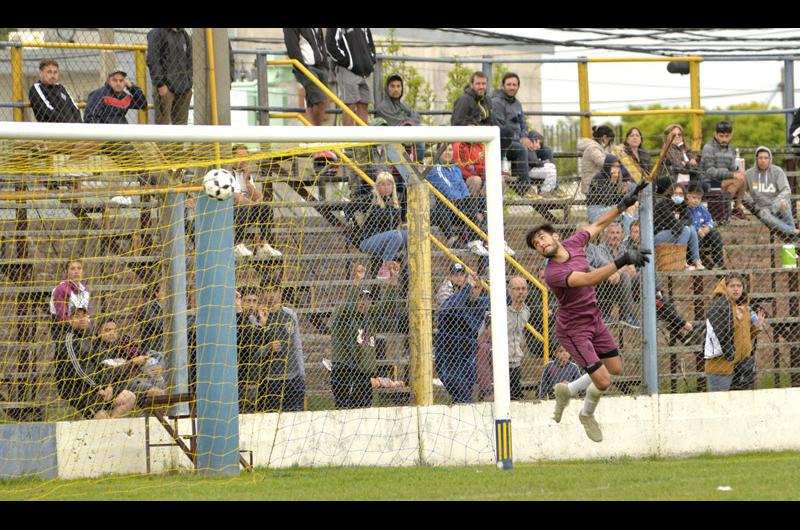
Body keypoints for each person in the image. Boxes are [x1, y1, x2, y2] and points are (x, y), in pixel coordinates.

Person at [525, 179, 650, 442]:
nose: (541, 243)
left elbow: (598, 225)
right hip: (573, 329)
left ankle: (568, 390)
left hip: (593, 318)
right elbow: (590, 279)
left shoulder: (573, 243)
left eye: (542, 237)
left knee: (615, 368)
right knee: (603, 381)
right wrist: (623, 260)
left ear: (555, 236)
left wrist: (622, 205)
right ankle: (586, 414)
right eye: (536, 244)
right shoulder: (553, 273)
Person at [329, 262, 402, 409]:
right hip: (345, 371)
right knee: (345, 412)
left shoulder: (370, 315)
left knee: (364, 412)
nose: (363, 302)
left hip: (363, 374)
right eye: (360, 298)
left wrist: (393, 279)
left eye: (367, 298)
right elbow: (348, 304)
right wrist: (356, 281)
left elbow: (389, 306)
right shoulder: (343, 314)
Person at [623, 221, 699, 344]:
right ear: (630, 233)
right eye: (634, 231)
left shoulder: (646, 246)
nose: (637, 235)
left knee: (661, 302)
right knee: (659, 300)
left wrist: (656, 288)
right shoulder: (627, 246)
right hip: (633, 288)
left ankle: (682, 332)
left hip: (647, 287)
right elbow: (635, 272)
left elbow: (649, 270)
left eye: (639, 232)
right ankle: (685, 326)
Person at [55, 308, 137, 419]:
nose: (82, 319)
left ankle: (111, 431)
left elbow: (100, 364)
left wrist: (108, 385)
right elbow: (78, 370)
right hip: (77, 390)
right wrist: (97, 387)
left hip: (96, 386)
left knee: (129, 397)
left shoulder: (90, 337)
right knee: (102, 417)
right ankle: (107, 430)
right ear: (69, 319)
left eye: (84, 316)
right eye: (77, 316)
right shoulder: (68, 339)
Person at [704, 273, 765, 392]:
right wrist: (736, 318)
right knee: (720, 405)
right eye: (732, 286)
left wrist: (757, 327)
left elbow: (744, 336)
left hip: (741, 367)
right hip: (721, 367)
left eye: (739, 286)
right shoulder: (719, 306)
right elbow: (721, 334)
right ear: (725, 288)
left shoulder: (744, 308)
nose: (736, 289)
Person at [435, 272, 490, 404]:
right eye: (470, 287)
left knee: (466, 399)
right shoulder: (452, 302)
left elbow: (506, 299)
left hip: (467, 360)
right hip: (448, 360)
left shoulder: (479, 304)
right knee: (461, 394)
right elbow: (450, 308)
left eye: (477, 288)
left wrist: (495, 285)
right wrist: (467, 288)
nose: (473, 291)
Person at [252, 283, 306, 412]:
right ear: (261, 293)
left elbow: (297, 345)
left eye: (274, 290)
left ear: (280, 292)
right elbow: (252, 353)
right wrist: (267, 347)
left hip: (293, 378)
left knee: (294, 419)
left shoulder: (290, 314)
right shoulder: (256, 317)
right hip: (270, 380)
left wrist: (302, 373)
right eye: (266, 290)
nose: (271, 295)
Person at [92, 317, 166, 409]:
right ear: (99, 333)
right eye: (107, 330)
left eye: (114, 330)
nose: (112, 333)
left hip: (140, 377)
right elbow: (109, 374)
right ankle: (160, 421)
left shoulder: (121, 345)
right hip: (122, 384)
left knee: (165, 383)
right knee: (157, 393)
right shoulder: (97, 350)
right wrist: (133, 363)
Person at [427, 143, 485, 254]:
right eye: (444, 150)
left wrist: (466, 201)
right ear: (438, 153)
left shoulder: (455, 168)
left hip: (458, 207)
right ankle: (469, 237)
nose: (448, 153)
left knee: (475, 201)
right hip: (442, 210)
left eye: (450, 150)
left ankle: (476, 238)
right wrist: (463, 202)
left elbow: (463, 187)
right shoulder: (435, 168)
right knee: (449, 203)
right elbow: (446, 190)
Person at [585, 222, 640, 329]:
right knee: (624, 276)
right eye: (612, 233)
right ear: (606, 235)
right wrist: (623, 269)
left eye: (617, 233)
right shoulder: (600, 249)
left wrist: (629, 267)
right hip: (607, 284)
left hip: (621, 284)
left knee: (642, 276)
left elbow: (630, 268)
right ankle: (627, 316)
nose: (615, 236)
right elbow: (607, 267)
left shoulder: (623, 248)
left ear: (622, 235)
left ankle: (657, 301)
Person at [230, 144, 281, 258]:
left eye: (245, 157)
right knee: (243, 207)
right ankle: (238, 245)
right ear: (233, 157)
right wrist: (253, 203)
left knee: (266, 208)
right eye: (240, 156)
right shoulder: (229, 173)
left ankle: (264, 246)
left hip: (247, 210)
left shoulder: (246, 175)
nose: (243, 160)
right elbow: (237, 198)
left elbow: (259, 196)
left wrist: (247, 181)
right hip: (231, 212)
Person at [489, 72, 534, 196]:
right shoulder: (497, 102)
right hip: (504, 142)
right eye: (509, 84)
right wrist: (520, 139)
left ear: (518, 87)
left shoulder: (517, 103)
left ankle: (550, 189)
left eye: (514, 84)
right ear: (503, 86)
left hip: (519, 139)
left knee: (544, 149)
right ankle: (526, 187)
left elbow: (523, 123)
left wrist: (525, 136)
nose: (512, 87)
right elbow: (500, 128)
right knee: (521, 149)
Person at [744, 146, 800, 242]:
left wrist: (779, 202)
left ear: (770, 159)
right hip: (764, 208)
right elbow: (742, 191)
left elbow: (786, 189)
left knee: (784, 204)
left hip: (777, 203)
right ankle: (794, 233)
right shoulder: (749, 174)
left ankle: (793, 235)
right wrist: (754, 204)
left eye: (766, 158)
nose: (763, 160)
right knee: (764, 216)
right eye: (760, 158)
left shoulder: (777, 171)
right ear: (756, 159)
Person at [358, 172, 407, 280]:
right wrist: (353, 222)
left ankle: (408, 270)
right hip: (369, 241)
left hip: (389, 240)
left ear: (393, 186)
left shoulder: (394, 203)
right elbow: (349, 208)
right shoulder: (371, 199)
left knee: (409, 235)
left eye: (389, 185)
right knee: (396, 234)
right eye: (383, 185)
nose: (386, 187)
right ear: (378, 186)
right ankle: (385, 267)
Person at [326, 28, 376, 126]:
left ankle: (362, 140)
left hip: (366, 71)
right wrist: (349, 63)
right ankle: (348, 140)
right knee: (349, 107)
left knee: (363, 106)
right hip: (347, 71)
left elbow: (370, 42)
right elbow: (331, 46)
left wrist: (371, 60)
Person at [653, 178, 704, 271]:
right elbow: (672, 222)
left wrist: (680, 225)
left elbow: (689, 220)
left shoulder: (682, 206)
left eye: (681, 194)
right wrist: (681, 224)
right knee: (686, 229)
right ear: (670, 194)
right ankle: (680, 261)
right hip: (658, 236)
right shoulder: (663, 205)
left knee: (691, 228)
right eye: (676, 194)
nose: (678, 196)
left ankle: (696, 261)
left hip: (675, 232)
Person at [283, 28, 330, 126]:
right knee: (320, 101)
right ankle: (317, 135)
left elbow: (321, 43)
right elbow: (292, 47)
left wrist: (325, 65)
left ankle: (311, 136)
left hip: (321, 67)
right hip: (306, 68)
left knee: (314, 103)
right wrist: (302, 67)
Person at [701, 120, 747, 220]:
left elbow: (731, 169)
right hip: (710, 183)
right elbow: (710, 172)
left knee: (742, 176)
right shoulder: (708, 147)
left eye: (727, 136)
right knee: (738, 179)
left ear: (731, 135)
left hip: (724, 182)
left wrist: (738, 171)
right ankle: (731, 210)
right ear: (716, 134)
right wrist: (733, 175)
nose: (724, 139)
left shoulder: (731, 149)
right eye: (721, 136)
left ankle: (730, 210)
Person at [146, 28, 193, 126]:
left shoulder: (184, 34)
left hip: (184, 87)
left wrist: (189, 83)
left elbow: (189, 60)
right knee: (163, 125)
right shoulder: (157, 33)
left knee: (181, 125)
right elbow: (153, 60)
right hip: (165, 87)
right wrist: (160, 84)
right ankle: (163, 142)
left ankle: (179, 142)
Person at [585, 154, 633, 231]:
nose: (616, 169)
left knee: (631, 209)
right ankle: (627, 238)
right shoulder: (599, 177)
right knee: (627, 209)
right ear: (608, 165)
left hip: (608, 209)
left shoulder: (612, 178)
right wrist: (612, 182)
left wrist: (622, 193)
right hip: (596, 211)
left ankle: (630, 236)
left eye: (618, 166)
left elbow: (614, 201)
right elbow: (605, 200)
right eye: (613, 166)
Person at [685, 183, 726, 269]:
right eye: (694, 197)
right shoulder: (685, 209)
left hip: (704, 234)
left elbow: (709, 219)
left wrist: (707, 228)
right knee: (695, 236)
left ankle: (718, 262)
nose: (696, 200)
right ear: (688, 196)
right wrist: (698, 229)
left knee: (715, 235)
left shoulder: (702, 208)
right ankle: (694, 261)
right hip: (692, 237)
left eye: (699, 198)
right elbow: (686, 222)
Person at [28, 59, 82, 123]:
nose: (53, 76)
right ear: (41, 73)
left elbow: (74, 108)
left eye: (55, 72)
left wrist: (79, 125)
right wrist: (68, 124)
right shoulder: (37, 88)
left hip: (72, 127)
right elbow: (47, 111)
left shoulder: (61, 88)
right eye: (49, 72)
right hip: (53, 128)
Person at [50, 259, 91, 337]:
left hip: (81, 330)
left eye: (79, 268)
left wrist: (87, 323)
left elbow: (87, 314)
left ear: (83, 271)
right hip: (64, 331)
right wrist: (76, 323)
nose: (76, 271)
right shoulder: (61, 288)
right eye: (72, 269)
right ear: (66, 272)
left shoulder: (85, 290)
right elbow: (61, 317)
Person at [577, 125, 614, 194]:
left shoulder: (598, 148)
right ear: (604, 138)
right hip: (592, 186)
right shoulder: (593, 148)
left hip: (597, 185)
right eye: (610, 141)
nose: (609, 144)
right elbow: (603, 162)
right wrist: (615, 159)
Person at [137, 282, 165, 354]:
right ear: (157, 294)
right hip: (153, 351)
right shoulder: (147, 308)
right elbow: (160, 326)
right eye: (165, 290)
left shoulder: (173, 309)